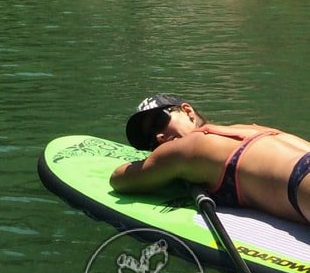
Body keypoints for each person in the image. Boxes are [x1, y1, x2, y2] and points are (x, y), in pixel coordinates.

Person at [111, 93, 310, 225]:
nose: (159, 137)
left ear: (187, 111)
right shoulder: (249, 129)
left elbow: (119, 178)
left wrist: (163, 168)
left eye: (160, 122)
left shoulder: (188, 147)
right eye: (150, 142)